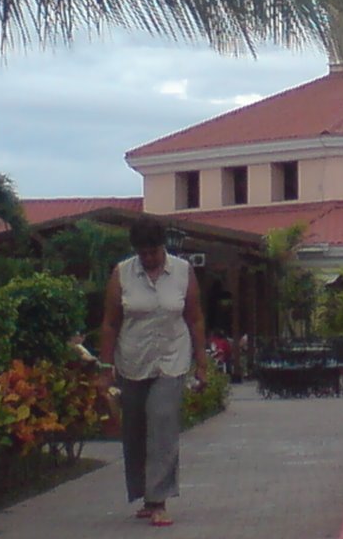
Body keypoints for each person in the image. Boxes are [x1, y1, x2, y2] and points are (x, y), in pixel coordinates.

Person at [99, 216, 207, 528]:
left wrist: (201, 363)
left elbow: (195, 318)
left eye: (153, 252)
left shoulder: (183, 272)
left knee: (162, 423)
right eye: (143, 253)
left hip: (172, 359)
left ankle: (159, 499)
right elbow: (109, 323)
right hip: (132, 360)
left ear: (164, 247)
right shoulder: (122, 273)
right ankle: (144, 496)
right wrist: (105, 369)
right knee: (134, 430)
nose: (148, 259)